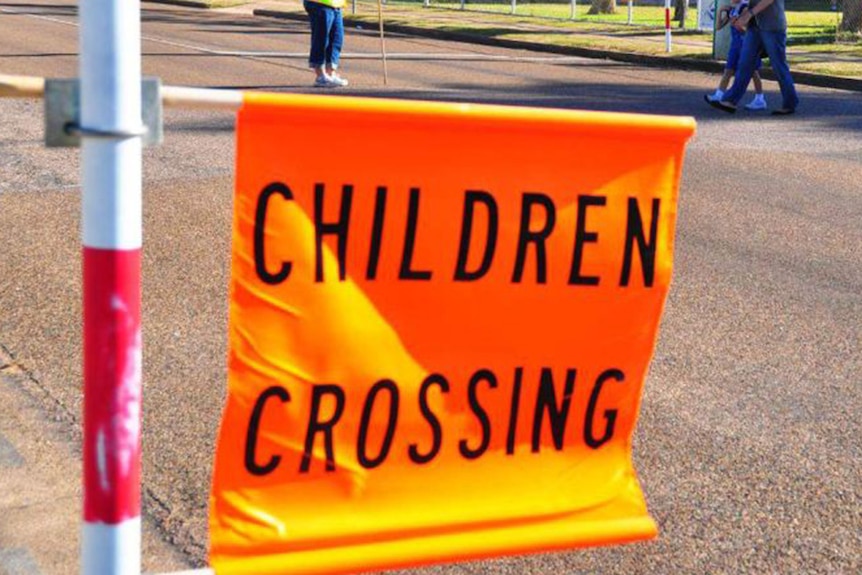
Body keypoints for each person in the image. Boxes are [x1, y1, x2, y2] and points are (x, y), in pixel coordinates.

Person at [706, 0, 799, 115]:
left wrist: (749, 14)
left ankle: (790, 103)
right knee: (744, 64)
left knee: (779, 67)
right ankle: (730, 101)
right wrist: (737, 15)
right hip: (753, 28)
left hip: (772, 27)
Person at [705, 0, 767, 111]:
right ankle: (719, 95)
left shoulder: (745, 8)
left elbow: (749, 30)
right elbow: (718, 27)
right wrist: (720, 11)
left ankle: (760, 98)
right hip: (735, 45)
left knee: (753, 72)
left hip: (746, 45)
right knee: (728, 70)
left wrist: (737, 25)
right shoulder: (732, 9)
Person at [304, 0, 349, 88]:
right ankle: (320, 75)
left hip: (336, 4)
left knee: (336, 38)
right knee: (321, 38)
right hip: (319, 4)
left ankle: (330, 73)